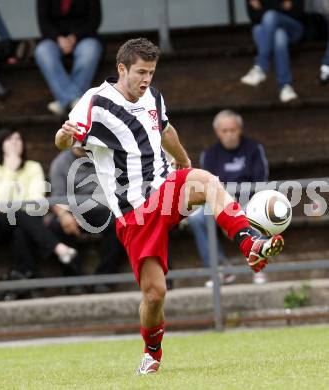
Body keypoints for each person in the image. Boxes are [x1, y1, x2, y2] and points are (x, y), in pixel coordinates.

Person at [54, 38, 284, 374]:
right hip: (134, 212)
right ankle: (152, 352)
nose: (146, 78)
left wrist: (183, 159)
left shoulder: (153, 96)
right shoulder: (96, 102)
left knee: (205, 181)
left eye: (151, 72)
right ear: (122, 69)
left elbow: (164, 128)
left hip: (164, 189)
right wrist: (64, 134)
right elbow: (66, 141)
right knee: (155, 294)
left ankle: (250, 243)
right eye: (140, 72)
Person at [188, 110, 269, 286]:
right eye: (225, 131)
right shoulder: (209, 155)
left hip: (250, 201)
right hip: (220, 204)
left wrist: (240, 210)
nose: (229, 134)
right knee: (196, 218)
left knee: (263, 212)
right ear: (218, 132)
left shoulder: (254, 148)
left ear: (240, 129)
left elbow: (261, 182)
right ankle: (221, 270)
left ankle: (259, 266)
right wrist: (225, 214)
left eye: (233, 130)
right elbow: (208, 189)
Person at [0, 128, 77, 299]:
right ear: (0, 144)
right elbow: (0, 203)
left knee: (21, 230)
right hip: (0, 224)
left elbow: (36, 203)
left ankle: (31, 279)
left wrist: (13, 205)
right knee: (19, 215)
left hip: (26, 221)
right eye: (9, 140)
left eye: (18, 139)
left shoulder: (33, 167)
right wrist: (11, 169)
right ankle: (58, 248)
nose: (14, 143)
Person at [48, 147, 127, 291]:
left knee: (120, 224)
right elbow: (56, 197)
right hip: (73, 211)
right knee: (56, 227)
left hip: (102, 209)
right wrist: (63, 215)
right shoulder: (60, 162)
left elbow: (118, 187)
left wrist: (115, 205)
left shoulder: (104, 157)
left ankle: (104, 279)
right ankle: (74, 282)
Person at [34, 0, 103, 116]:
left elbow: (94, 20)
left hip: (84, 37)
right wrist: (58, 38)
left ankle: (64, 101)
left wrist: (74, 37)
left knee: (90, 51)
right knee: (42, 51)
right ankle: (75, 100)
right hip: (54, 39)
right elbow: (44, 23)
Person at [241, 0, 305, 103]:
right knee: (278, 35)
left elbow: (296, 12)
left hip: (293, 28)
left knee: (270, 16)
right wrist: (281, 6)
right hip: (268, 30)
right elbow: (254, 17)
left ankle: (261, 66)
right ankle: (285, 86)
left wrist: (263, 7)